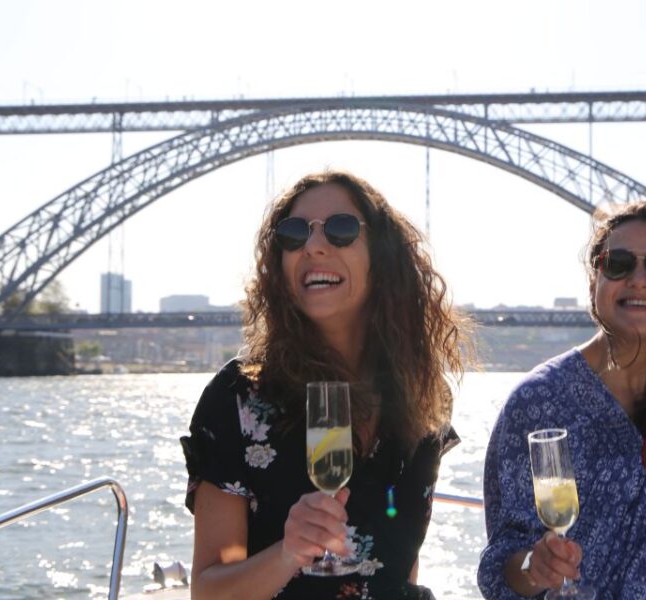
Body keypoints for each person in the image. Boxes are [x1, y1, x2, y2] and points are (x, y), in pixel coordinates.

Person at [181, 170, 473, 599]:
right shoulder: (239, 400)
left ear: (382, 255)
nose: (314, 245)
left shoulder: (423, 396)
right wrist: (288, 553)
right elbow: (208, 592)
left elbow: (401, 565)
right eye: (293, 234)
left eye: (341, 229)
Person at [478, 201, 646, 599]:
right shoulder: (538, 402)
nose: (640, 279)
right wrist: (534, 565)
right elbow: (498, 569)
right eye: (619, 263)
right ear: (594, 283)